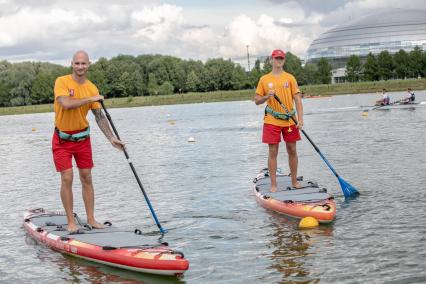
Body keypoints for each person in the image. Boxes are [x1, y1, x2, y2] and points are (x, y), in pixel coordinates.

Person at [53, 50, 125, 233]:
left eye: (83, 63)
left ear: (88, 65)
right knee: (67, 177)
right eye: (77, 63)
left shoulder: (92, 87)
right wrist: (91, 99)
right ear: (71, 64)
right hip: (62, 139)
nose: (80, 67)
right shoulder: (62, 82)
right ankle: (71, 222)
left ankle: (91, 219)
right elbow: (66, 104)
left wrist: (111, 138)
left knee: (87, 177)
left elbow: (99, 116)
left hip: (83, 139)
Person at [254, 49, 303, 192]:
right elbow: (257, 101)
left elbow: (298, 100)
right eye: (276, 58)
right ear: (271, 60)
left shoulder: (290, 78)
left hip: (289, 120)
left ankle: (294, 182)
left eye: (281, 58)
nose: (279, 61)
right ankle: (273, 185)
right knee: (273, 151)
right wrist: (266, 97)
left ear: (284, 61)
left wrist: (300, 119)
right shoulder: (264, 79)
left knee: (292, 149)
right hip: (272, 120)